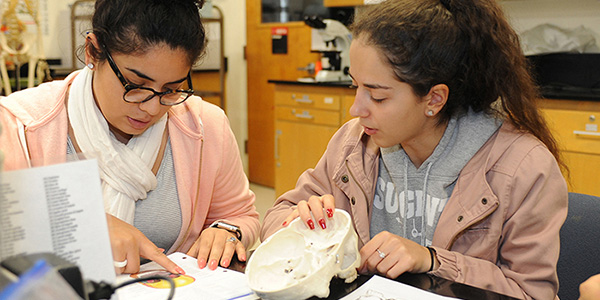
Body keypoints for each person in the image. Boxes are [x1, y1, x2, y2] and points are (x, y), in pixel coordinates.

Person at [260, 0, 568, 299]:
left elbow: (531, 292)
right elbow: (276, 218)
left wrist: (433, 260)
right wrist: (299, 224)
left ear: (434, 99)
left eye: (377, 97)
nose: (356, 109)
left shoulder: (523, 167)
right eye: (355, 86)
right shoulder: (354, 143)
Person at [0, 0, 259, 275]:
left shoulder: (204, 127)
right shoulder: (20, 125)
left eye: (171, 89)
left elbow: (240, 215)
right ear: (93, 51)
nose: (152, 108)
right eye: (135, 85)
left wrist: (227, 231)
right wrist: (89, 225)